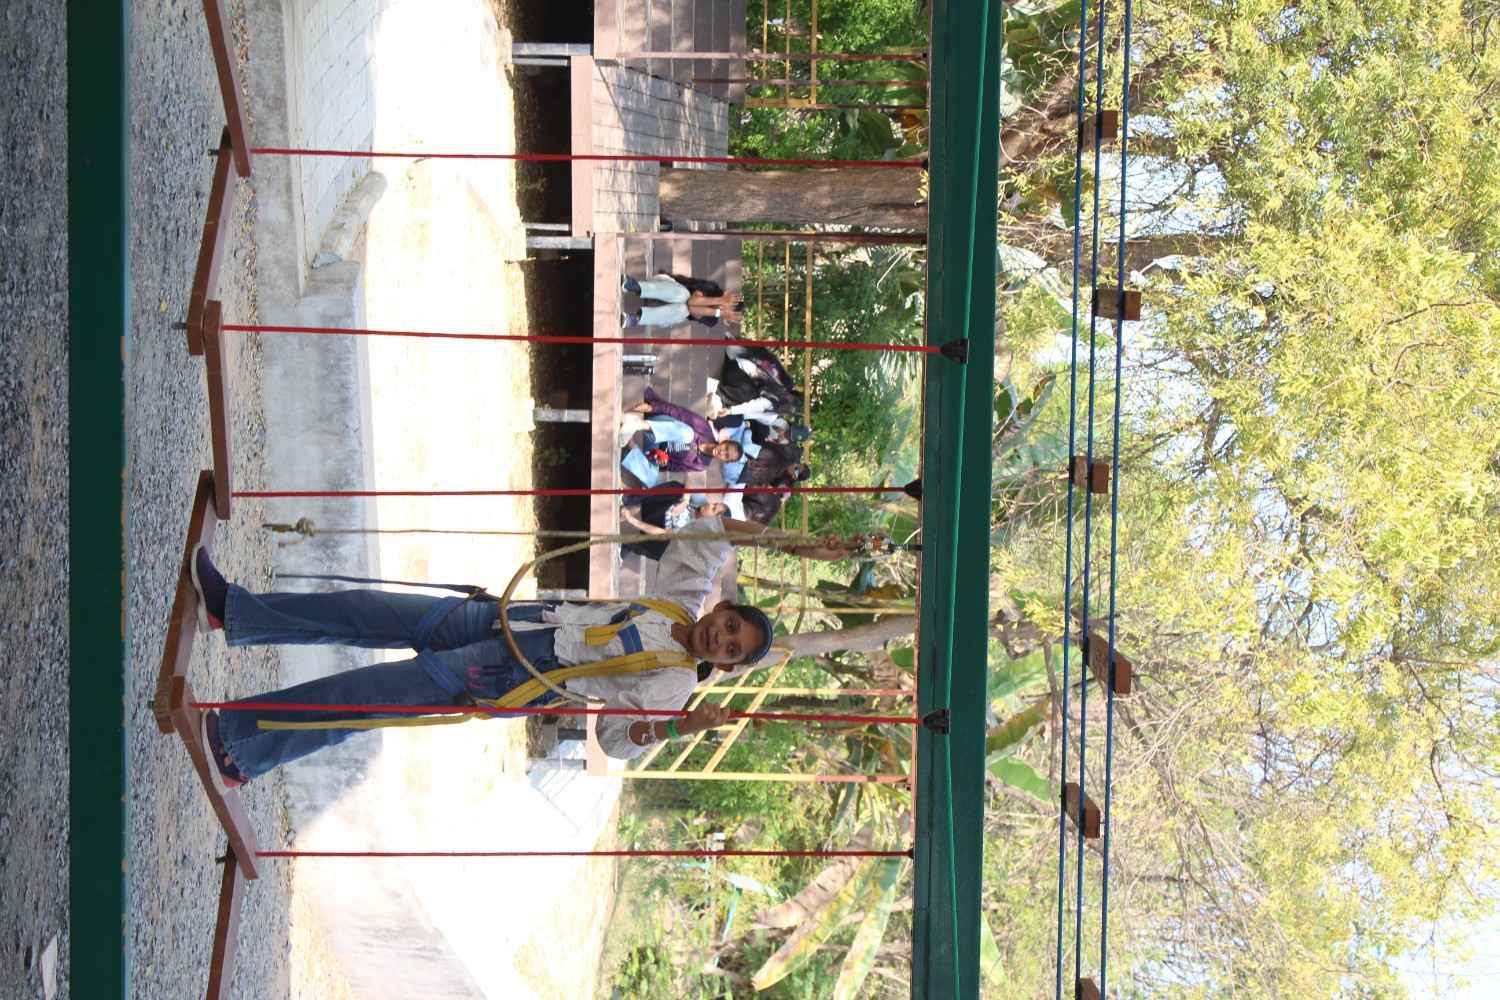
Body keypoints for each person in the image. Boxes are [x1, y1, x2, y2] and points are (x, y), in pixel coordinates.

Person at [190, 514, 782, 787]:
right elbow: (711, 534)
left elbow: (615, 740)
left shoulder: (674, 688)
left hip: (511, 675)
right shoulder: (678, 604)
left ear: (725, 666)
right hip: (512, 618)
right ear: (722, 610)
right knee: (365, 610)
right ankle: (236, 612)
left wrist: (679, 730)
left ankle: (243, 747)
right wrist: (791, 542)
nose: (722, 640)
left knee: (370, 695)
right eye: (731, 627)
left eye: (731, 651)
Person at [618, 386, 749, 476]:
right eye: (726, 448)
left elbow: (672, 467)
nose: (722, 452)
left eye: (726, 456)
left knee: (652, 478)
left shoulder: (701, 465)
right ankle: (637, 424)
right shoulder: (705, 429)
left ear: (724, 461)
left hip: (654, 449)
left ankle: (630, 443)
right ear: (725, 442)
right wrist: (652, 407)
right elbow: (676, 412)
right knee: (688, 434)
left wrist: (663, 462)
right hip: (654, 426)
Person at [620, 488, 729, 561]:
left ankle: (629, 544)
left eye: (713, 509)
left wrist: (632, 520)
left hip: (655, 532)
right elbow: (689, 478)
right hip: (654, 509)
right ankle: (631, 499)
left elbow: (662, 533)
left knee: (668, 549)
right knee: (678, 488)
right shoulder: (702, 501)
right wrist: (686, 500)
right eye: (714, 504)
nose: (710, 504)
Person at [621, 273, 744, 329]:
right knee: (683, 295)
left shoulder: (712, 320)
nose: (723, 307)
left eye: (726, 309)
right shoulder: (713, 289)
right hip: (667, 286)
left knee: (683, 311)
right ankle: (635, 286)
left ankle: (635, 319)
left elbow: (692, 308)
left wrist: (719, 313)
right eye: (726, 303)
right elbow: (692, 301)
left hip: (670, 315)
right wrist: (720, 299)